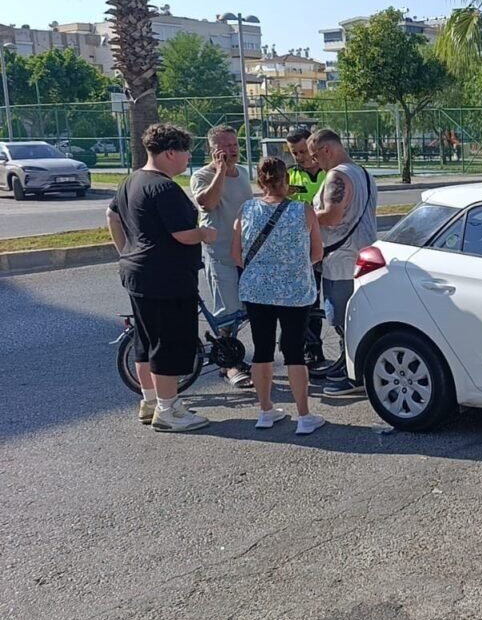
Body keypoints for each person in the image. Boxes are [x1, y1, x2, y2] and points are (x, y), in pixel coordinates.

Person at [106, 124, 216, 432]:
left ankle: (150, 401)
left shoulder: (130, 181)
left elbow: (111, 216)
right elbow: (183, 234)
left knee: (146, 340)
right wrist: (205, 233)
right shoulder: (164, 188)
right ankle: (169, 410)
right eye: (185, 151)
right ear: (169, 153)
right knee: (169, 342)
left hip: (138, 272)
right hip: (167, 277)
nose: (188, 157)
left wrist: (126, 251)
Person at [231, 156, 326, 435]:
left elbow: (235, 254)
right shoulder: (303, 210)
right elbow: (317, 252)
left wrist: (262, 270)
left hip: (256, 290)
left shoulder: (246, 209)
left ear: (260, 182)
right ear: (286, 180)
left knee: (262, 350)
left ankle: (265, 411)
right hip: (295, 290)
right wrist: (294, 267)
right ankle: (304, 415)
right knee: (295, 352)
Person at [308, 128, 377, 396]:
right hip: (364, 255)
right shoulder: (363, 173)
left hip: (341, 260)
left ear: (327, 149)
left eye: (315, 156)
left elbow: (332, 216)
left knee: (343, 320)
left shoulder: (336, 176)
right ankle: (354, 369)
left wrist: (303, 215)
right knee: (359, 317)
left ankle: (354, 376)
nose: (315, 162)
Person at [190, 125, 254, 388]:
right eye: (225, 146)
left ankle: (233, 355)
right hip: (221, 254)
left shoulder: (244, 173)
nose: (232, 150)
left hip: (247, 254)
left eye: (234, 144)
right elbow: (208, 203)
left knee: (246, 310)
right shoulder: (202, 176)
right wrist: (220, 172)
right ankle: (229, 366)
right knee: (227, 311)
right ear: (212, 150)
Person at [284, 126, 330, 370]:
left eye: (303, 151)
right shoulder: (289, 176)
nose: (300, 157)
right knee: (308, 302)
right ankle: (311, 350)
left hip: (330, 247)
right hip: (301, 250)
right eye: (295, 153)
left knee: (330, 301)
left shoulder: (329, 173)